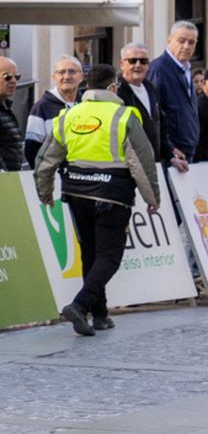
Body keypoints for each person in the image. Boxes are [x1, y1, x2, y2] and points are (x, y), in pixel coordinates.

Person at [35, 62, 161, 336]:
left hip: (77, 192)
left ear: (86, 86)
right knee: (110, 255)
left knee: (91, 252)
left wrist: (44, 191)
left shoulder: (68, 116)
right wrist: (152, 196)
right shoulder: (125, 115)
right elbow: (141, 160)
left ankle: (101, 314)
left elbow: (45, 159)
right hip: (112, 193)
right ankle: (80, 306)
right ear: (113, 87)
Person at [147, 21, 199, 165]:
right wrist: (169, 148)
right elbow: (153, 113)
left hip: (188, 150)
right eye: (181, 41)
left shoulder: (186, 69)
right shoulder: (158, 70)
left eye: (191, 42)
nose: (186, 46)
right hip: (172, 154)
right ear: (169, 40)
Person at [115, 43, 171, 170]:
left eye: (143, 61)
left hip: (153, 163)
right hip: (129, 167)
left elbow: (161, 124)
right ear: (122, 64)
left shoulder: (150, 88)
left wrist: (170, 156)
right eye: (132, 61)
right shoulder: (116, 91)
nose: (138, 65)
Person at [25, 56, 83, 168]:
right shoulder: (41, 108)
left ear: (81, 77)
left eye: (72, 71)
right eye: (61, 72)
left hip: (83, 176)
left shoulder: (86, 104)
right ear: (54, 77)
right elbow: (32, 150)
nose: (66, 76)